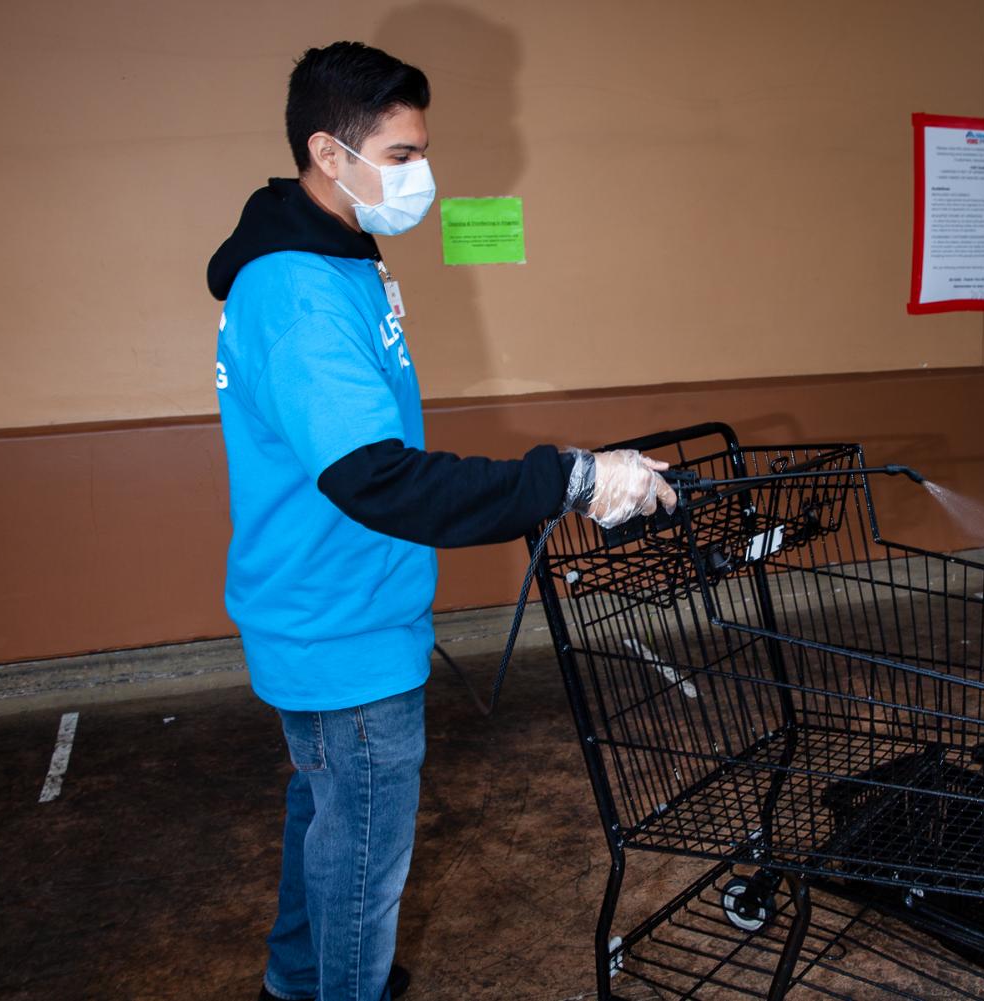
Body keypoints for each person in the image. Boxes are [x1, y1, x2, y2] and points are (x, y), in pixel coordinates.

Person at [206, 40, 675, 1001]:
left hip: (341, 602)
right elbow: (377, 479)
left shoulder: (334, 259)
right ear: (329, 154)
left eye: (424, 151)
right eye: (405, 155)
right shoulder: (296, 291)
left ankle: (298, 982)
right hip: (340, 620)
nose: (423, 176)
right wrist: (570, 480)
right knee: (363, 858)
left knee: (327, 813)